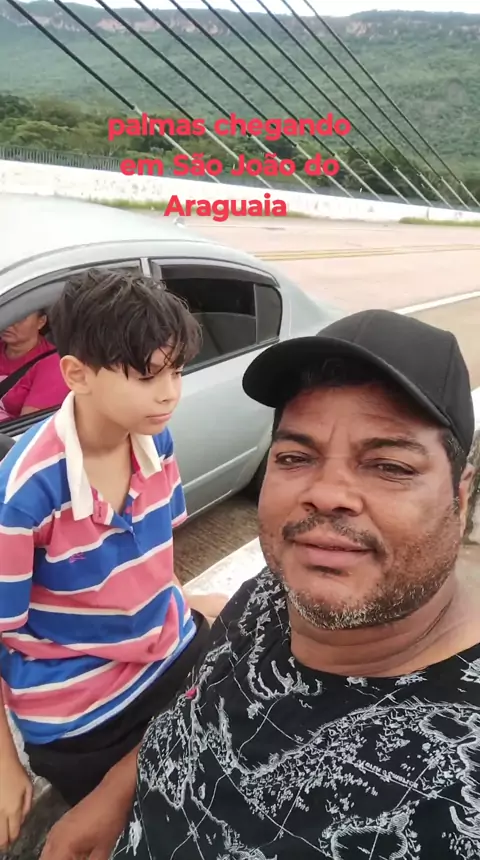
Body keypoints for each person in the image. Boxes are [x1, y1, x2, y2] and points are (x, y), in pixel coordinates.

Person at [39, 308, 480, 860]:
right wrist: (113, 793)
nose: (327, 493)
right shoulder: (277, 587)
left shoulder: (455, 782)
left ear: (461, 494)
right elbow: (198, 701)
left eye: (389, 466)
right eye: (296, 457)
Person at [0, 268, 226, 852]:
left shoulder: (154, 438)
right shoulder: (24, 495)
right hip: (81, 711)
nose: (170, 393)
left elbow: (156, 553)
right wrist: (4, 764)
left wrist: (180, 605)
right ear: (77, 374)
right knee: (154, 829)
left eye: (176, 370)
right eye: (148, 375)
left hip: (166, 656)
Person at [0, 310, 69, 421]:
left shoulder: (52, 365)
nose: (10, 322)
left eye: (20, 317)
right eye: (7, 314)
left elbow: (28, 424)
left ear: (41, 322)